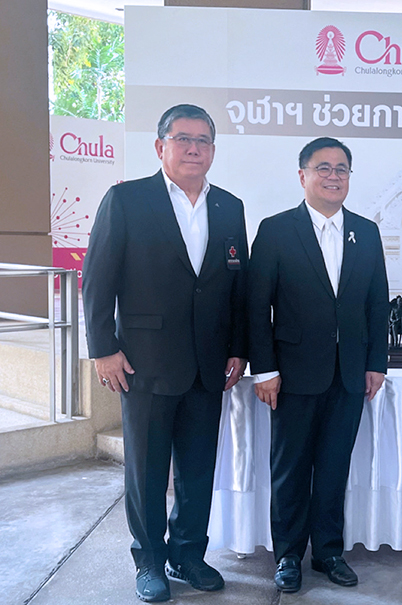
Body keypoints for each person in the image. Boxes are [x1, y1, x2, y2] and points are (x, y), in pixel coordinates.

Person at [82, 104, 248, 602]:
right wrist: (103, 349)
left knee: (198, 470)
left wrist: (238, 348)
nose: (194, 148)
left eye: (203, 140)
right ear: (161, 147)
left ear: (213, 150)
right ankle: (150, 561)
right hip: (144, 361)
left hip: (209, 364)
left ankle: (188, 555)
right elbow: (97, 279)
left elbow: (238, 288)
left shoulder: (230, 207)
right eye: (183, 139)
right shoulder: (127, 200)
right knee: (148, 471)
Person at [248, 137, 389, 593]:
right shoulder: (276, 230)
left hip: (348, 374)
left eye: (341, 169)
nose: (333, 176)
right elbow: (256, 306)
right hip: (292, 374)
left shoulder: (366, 232)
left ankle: (328, 551)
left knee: (333, 468)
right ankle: (288, 555)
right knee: (290, 469)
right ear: (303, 175)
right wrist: (264, 369)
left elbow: (376, 303)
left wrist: (376, 362)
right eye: (323, 167)